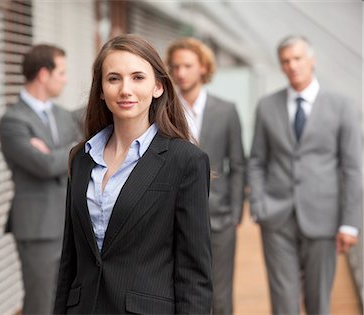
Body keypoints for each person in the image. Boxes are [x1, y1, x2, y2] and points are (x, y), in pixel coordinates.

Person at [53, 34, 213, 314]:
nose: (125, 89)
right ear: (101, 89)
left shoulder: (185, 161)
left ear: (158, 87)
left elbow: (194, 274)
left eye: (138, 77)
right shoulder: (82, 159)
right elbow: (71, 260)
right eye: (114, 78)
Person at [248, 35, 362, 314]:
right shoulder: (266, 106)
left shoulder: (342, 105)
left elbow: (352, 167)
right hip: (276, 218)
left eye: (298, 59)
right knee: (283, 302)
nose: (292, 66)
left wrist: (350, 223)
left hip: (324, 218)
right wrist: (258, 206)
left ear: (312, 60)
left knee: (318, 301)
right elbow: (257, 160)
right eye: (286, 61)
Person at [166, 37, 245, 315]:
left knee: (221, 296)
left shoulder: (226, 111)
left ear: (203, 68)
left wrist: (234, 214)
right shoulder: (163, 111)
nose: (180, 73)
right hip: (173, 217)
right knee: (183, 291)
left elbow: (237, 163)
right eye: (175, 67)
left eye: (187, 65)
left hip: (219, 217)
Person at [0, 44, 78, 315]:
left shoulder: (64, 116)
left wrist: (63, 151)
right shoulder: (12, 120)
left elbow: (71, 156)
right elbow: (44, 166)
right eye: (62, 73)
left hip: (70, 224)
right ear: (44, 74)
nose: (65, 79)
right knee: (41, 305)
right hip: (38, 229)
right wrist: (74, 148)